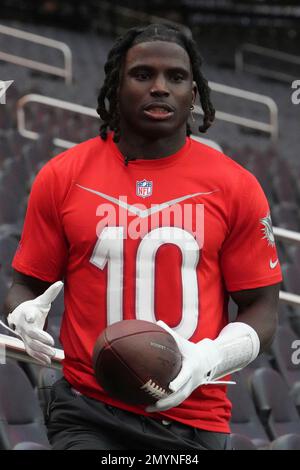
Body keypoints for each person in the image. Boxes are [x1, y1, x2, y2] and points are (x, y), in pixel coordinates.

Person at [4, 23, 282, 450]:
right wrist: (22, 313)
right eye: (142, 74)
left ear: (194, 91)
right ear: (117, 84)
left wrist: (209, 359)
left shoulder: (236, 186)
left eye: (175, 77)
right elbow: (25, 284)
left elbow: (261, 309)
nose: (159, 88)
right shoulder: (62, 176)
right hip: (88, 409)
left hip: (194, 414)